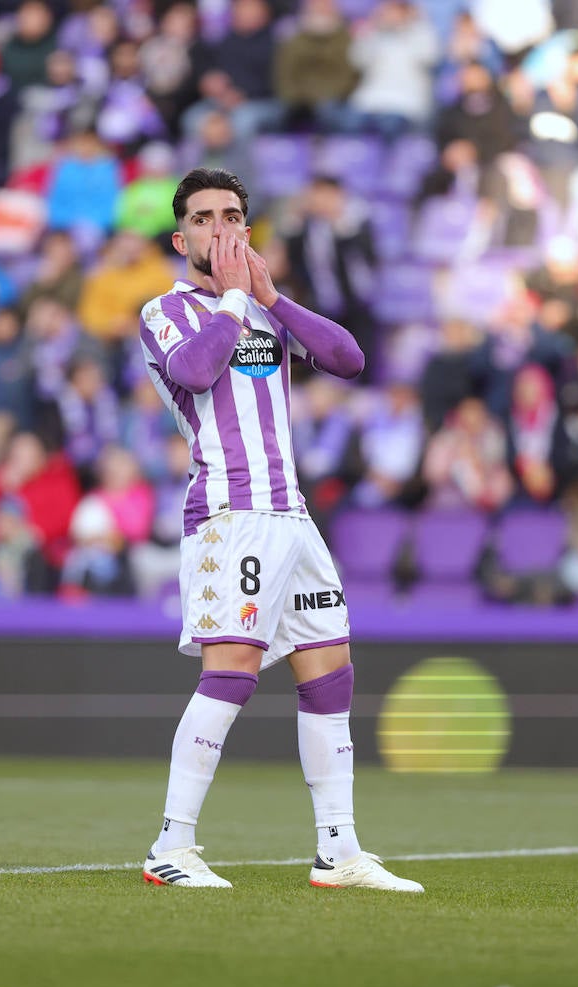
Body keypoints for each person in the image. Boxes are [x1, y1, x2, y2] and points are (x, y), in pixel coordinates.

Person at [136, 167, 421, 892]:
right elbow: (196, 375)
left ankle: (339, 850)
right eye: (204, 218)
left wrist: (271, 297)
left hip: (293, 516)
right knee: (230, 673)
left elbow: (350, 360)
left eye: (232, 215)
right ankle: (171, 846)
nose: (220, 228)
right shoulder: (166, 310)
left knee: (330, 676)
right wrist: (236, 297)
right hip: (231, 515)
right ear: (181, 237)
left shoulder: (265, 312)